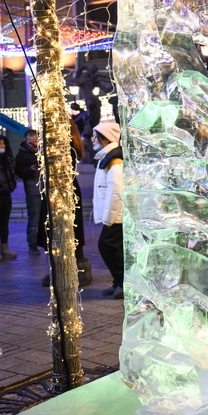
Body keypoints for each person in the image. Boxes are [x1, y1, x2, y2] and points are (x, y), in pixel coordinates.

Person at [38, 119, 91, 287]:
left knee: (65, 230)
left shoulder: (64, 143)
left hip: (61, 189)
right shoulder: (69, 141)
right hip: (59, 189)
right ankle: (63, 269)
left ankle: (68, 270)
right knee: (63, 230)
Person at [92, 121, 124, 299]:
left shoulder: (114, 160)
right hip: (114, 214)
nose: (92, 140)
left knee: (107, 246)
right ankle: (118, 282)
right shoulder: (106, 157)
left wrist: (109, 217)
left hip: (117, 215)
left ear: (105, 139)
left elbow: (116, 191)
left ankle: (123, 282)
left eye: (96, 136)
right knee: (112, 247)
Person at [15, 129, 41, 255]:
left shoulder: (42, 150)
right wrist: (30, 169)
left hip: (46, 189)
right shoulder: (22, 154)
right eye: (32, 141)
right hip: (33, 189)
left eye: (36, 140)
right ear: (26, 140)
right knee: (34, 218)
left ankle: (45, 243)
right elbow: (19, 172)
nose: (35, 143)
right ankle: (32, 245)